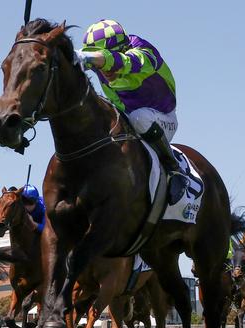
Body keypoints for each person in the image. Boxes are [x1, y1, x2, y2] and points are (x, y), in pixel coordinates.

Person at [74, 19, 188, 205]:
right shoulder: (100, 61)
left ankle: (173, 168)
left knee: (140, 117)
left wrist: (93, 59)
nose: (105, 71)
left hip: (161, 118)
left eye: (103, 60)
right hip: (127, 116)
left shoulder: (143, 52)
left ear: (123, 48)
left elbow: (122, 62)